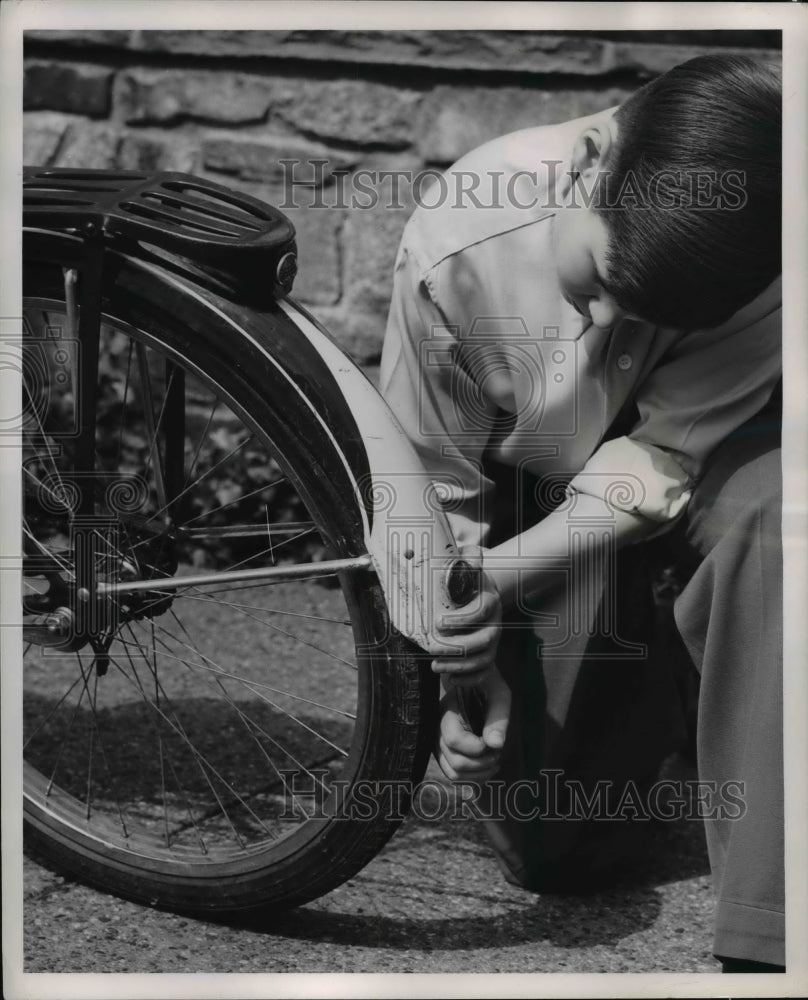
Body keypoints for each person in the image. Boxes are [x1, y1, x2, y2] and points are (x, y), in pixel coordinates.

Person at [379, 54, 783, 972]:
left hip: (714, 464)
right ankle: (688, 672)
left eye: (652, 316)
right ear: (592, 159)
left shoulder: (767, 250)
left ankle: (772, 942)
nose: (603, 324)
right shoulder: (463, 236)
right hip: (539, 498)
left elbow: (668, 455)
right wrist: (463, 649)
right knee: (562, 847)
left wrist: (499, 585)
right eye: (599, 280)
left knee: (782, 521)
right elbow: (434, 483)